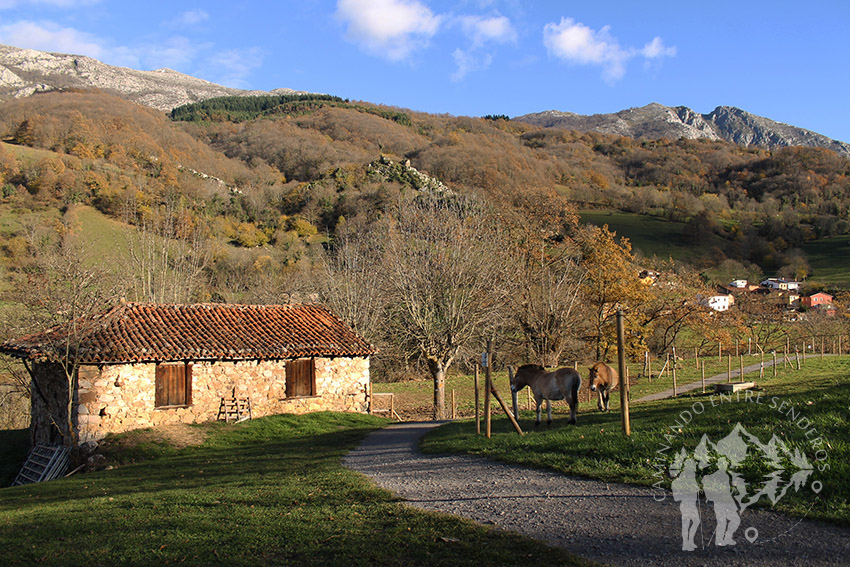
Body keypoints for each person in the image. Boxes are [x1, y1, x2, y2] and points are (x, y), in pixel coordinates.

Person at [702, 457, 741, 546]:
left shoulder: (726, 475)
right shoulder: (717, 475)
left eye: (725, 464)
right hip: (720, 501)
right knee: (723, 521)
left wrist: (734, 484)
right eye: (722, 464)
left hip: (727, 501)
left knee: (734, 520)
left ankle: (726, 538)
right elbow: (707, 480)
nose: (724, 466)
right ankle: (720, 540)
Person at [671, 456, 701, 551]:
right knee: (686, 523)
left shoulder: (692, 478)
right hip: (686, 504)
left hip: (692, 504)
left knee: (696, 521)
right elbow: (676, 498)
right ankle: (686, 543)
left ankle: (690, 541)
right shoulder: (679, 481)